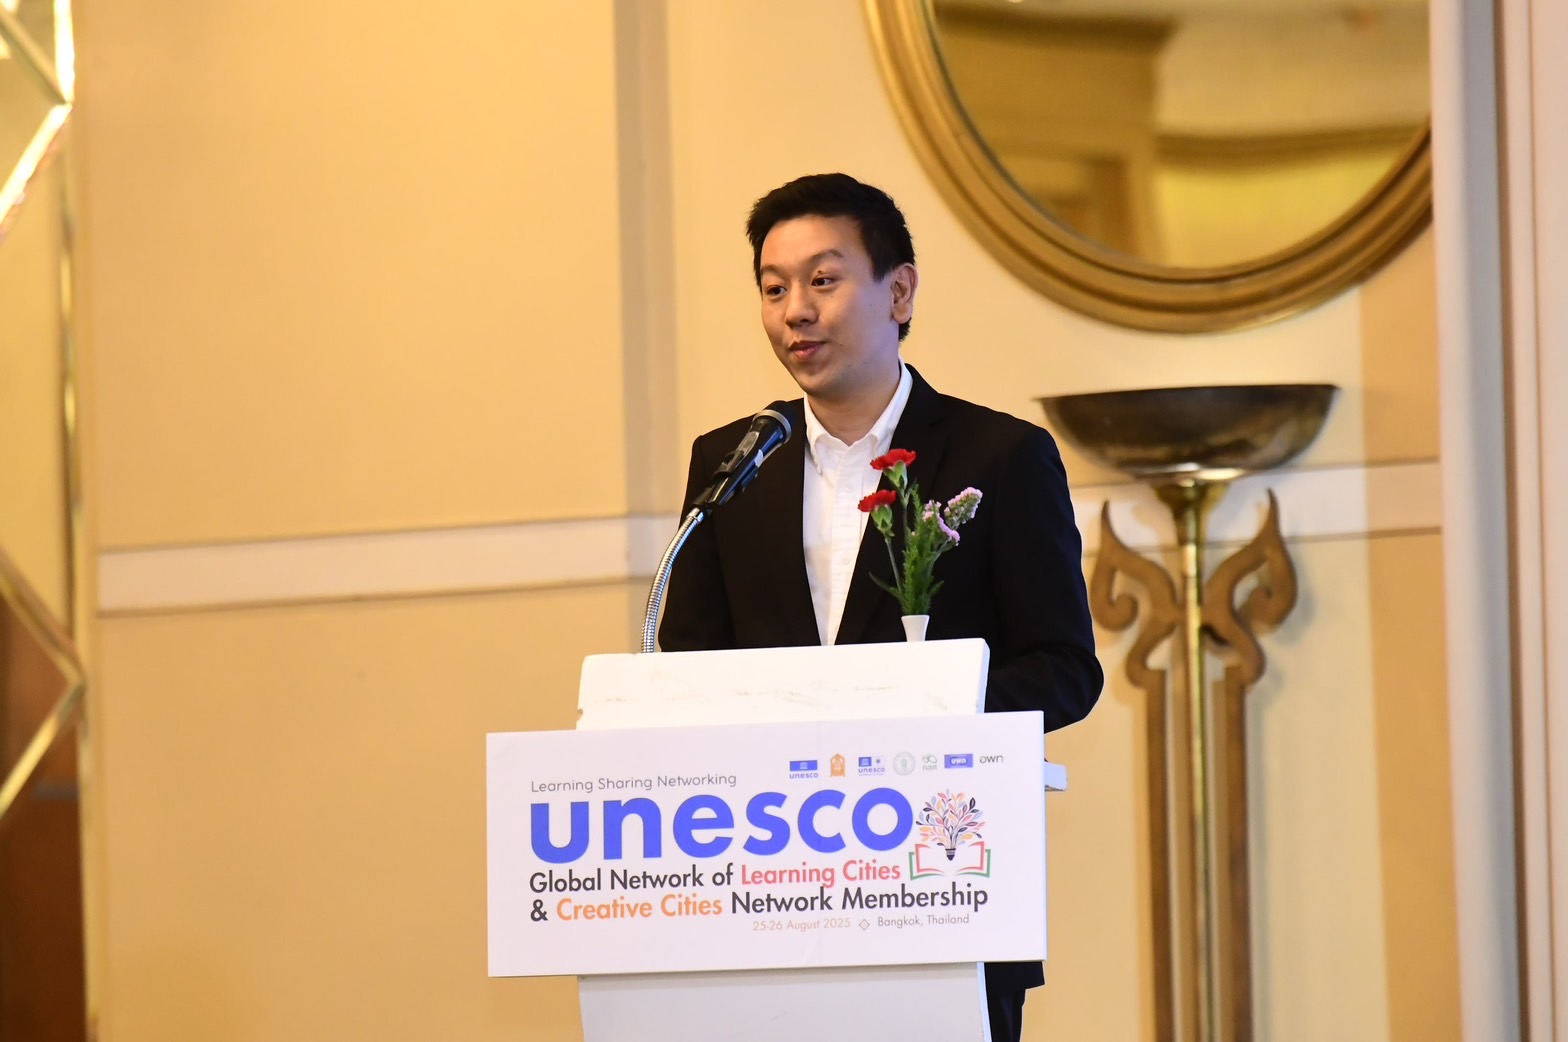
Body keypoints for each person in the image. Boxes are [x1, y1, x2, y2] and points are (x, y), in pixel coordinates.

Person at [659, 172, 1103, 1041]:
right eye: (773, 288)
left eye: (823, 281)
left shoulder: (999, 455)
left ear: (899, 293)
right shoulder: (732, 462)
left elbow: (1063, 670)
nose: (795, 311)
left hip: (940, 891)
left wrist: (917, 716)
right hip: (764, 896)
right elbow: (689, 666)